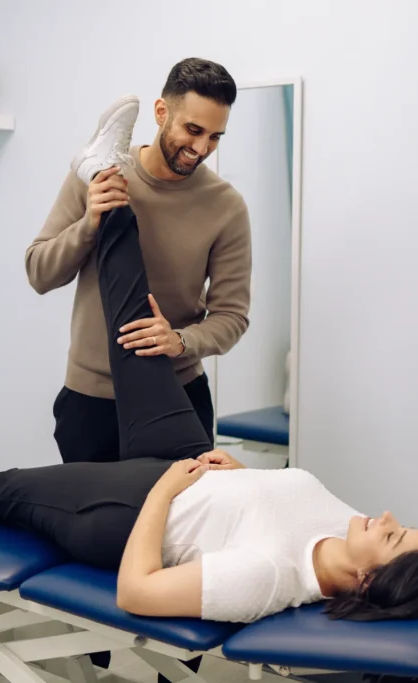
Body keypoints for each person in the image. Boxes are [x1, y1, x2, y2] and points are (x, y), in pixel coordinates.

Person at [0, 193, 418, 628]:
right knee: (139, 329)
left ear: (367, 581)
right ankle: (108, 184)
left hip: (134, 507)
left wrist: (160, 493)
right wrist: (240, 476)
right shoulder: (348, 526)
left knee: (11, 490)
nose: (384, 516)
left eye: (391, 535)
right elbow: (268, 507)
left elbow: (137, 591)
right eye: (399, 523)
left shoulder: (269, 579)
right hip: (194, 467)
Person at [25, 57, 253, 465]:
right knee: (96, 527)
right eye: (193, 130)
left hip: (177, 392)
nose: (201, 149)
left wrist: (180, 341)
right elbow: (39, 272)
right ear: (161, 112)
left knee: (179, 526)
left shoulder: (226, 207)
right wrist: (89, 223)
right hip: (90, 401)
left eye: (216, 137)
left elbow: (232, 316)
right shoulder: (100, 180)